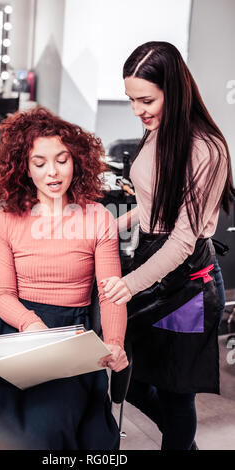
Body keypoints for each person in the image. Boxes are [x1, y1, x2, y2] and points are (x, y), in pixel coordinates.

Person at [0, 106, 128, 450]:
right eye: (39, 163)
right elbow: (4, 295)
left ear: (77, 160)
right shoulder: (5, 222)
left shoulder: (98, 218)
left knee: (40, 434)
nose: (53, 172)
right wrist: (30, 324)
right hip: (14, 330)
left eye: (62, 159)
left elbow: (110, 292)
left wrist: (114, 342)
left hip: (70, 336)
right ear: (23, 167)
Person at [101, 41, 235, 450]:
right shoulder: (156, 133)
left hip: (188, 286)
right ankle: (185, 443)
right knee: (133, 380)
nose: (138, 111)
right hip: (152, 265)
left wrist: (130, 284)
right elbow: (150, 204)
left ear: (173, 91)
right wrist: (110, 225)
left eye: (146, 100)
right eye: (131, 101)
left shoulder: (207, 150)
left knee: (177, 392)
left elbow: (181, 239)